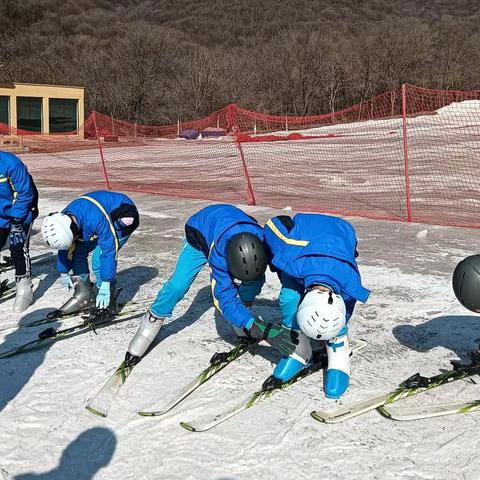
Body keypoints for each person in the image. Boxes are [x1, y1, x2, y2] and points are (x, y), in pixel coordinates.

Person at [125, 204, 298, 365]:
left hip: (232, 225)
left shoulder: (264, 241)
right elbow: (223, 298)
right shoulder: (219, 257)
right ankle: (153, 319)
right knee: (178, 285)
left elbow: (283, 268)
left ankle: (242, 312)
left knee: (255, 281)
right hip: (199, 233)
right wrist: (253, 325)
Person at [262, 212, 370, 399]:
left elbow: (345, 310)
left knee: (336, 312)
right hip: (301, 252)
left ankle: (339, 354)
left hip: (340, 234)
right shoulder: (291, 260)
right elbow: (273, 225)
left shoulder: (350, 284)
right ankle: (298, 349)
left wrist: (335, 328)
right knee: (289, 298)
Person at [41, 190, 139, 313]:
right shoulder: (63, 220)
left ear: (74, 230)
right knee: (77, 252)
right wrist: (64, 271)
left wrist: (106, 283)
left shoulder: (95, 219)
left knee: (98, 259)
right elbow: (67, 249)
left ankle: (108, 298)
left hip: (123, 216)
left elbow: (108, 250)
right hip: (94, 219)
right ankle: (85, 294)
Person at [0, 151, 39, 312]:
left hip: (21, 211)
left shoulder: (10, 163)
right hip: (1, 212)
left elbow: (25, 193)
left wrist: (16, 221)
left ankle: (24, 287)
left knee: (18, 247)